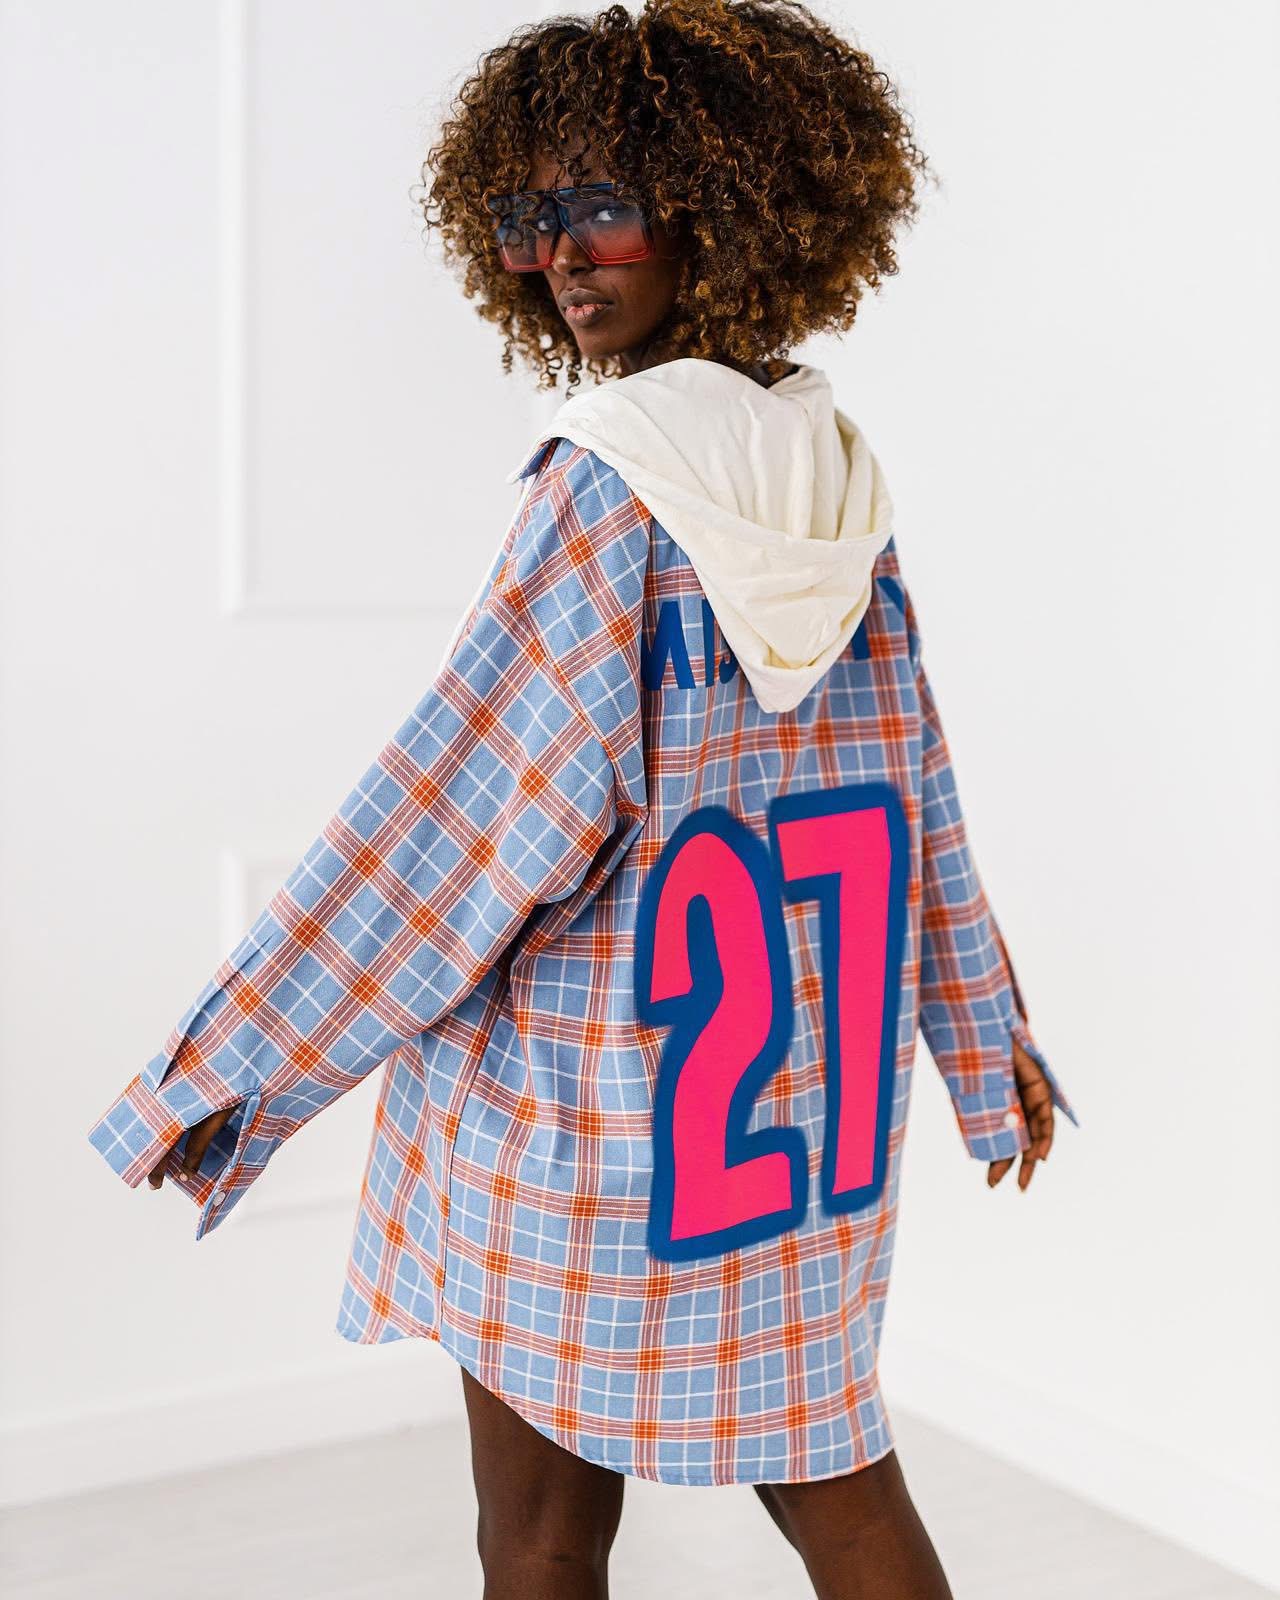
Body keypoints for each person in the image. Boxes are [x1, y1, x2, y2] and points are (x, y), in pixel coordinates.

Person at [87, 2, 1080, 1596]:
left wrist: (229, 1068)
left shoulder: (606, 490)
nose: (557, 255)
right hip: (791, 1135)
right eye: (526, 217)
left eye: (602, 207)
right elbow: (916, 806)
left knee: (541, 1539)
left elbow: (452, 833)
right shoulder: (836, 480)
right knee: (841, 1493)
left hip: (581, 1127)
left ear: (722, 210)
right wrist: (986, 1041)